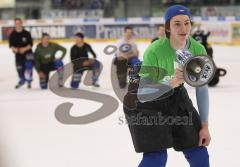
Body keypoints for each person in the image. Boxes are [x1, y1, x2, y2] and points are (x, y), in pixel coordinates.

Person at [123, 5, 211, 167]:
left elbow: (202, 88)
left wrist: (204, 126)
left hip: (176, 95)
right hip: (144, 101)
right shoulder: (155, 50)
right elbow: (143, 94)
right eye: (177, 23)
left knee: (198, 152)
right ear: (168, 28)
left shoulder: (198, 49)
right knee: (156, 157)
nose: (183, 28)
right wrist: (170, 83)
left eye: (187, 22)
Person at [9, 18, 34, 89]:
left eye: (19, 23)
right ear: (15, 24)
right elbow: (11, 45)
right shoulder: (12, 34)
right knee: (19, 68)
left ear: (21, 23)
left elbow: (30, 44)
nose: (18, 25)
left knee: (28, 65)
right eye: (16, 23)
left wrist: (24, 49)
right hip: (18, 54)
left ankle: (29, 80)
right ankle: (22, 80)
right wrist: (15, 49)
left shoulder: (26, 33)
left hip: (27, 53)